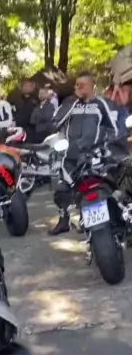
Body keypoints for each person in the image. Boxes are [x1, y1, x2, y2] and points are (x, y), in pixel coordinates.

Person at [49, 71, 118, 235]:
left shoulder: (101, 104)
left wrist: (105, 145)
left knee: (95, 186)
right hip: (70, 155)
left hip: (95, 155)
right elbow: (56, 122)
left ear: (92, 85)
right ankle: (64, 220)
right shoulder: (70, 103)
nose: (79, 87)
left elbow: (113, 129)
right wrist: (74, 99)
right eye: (77, 84)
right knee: (62, 190)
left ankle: (90, 218)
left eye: (83, 84)